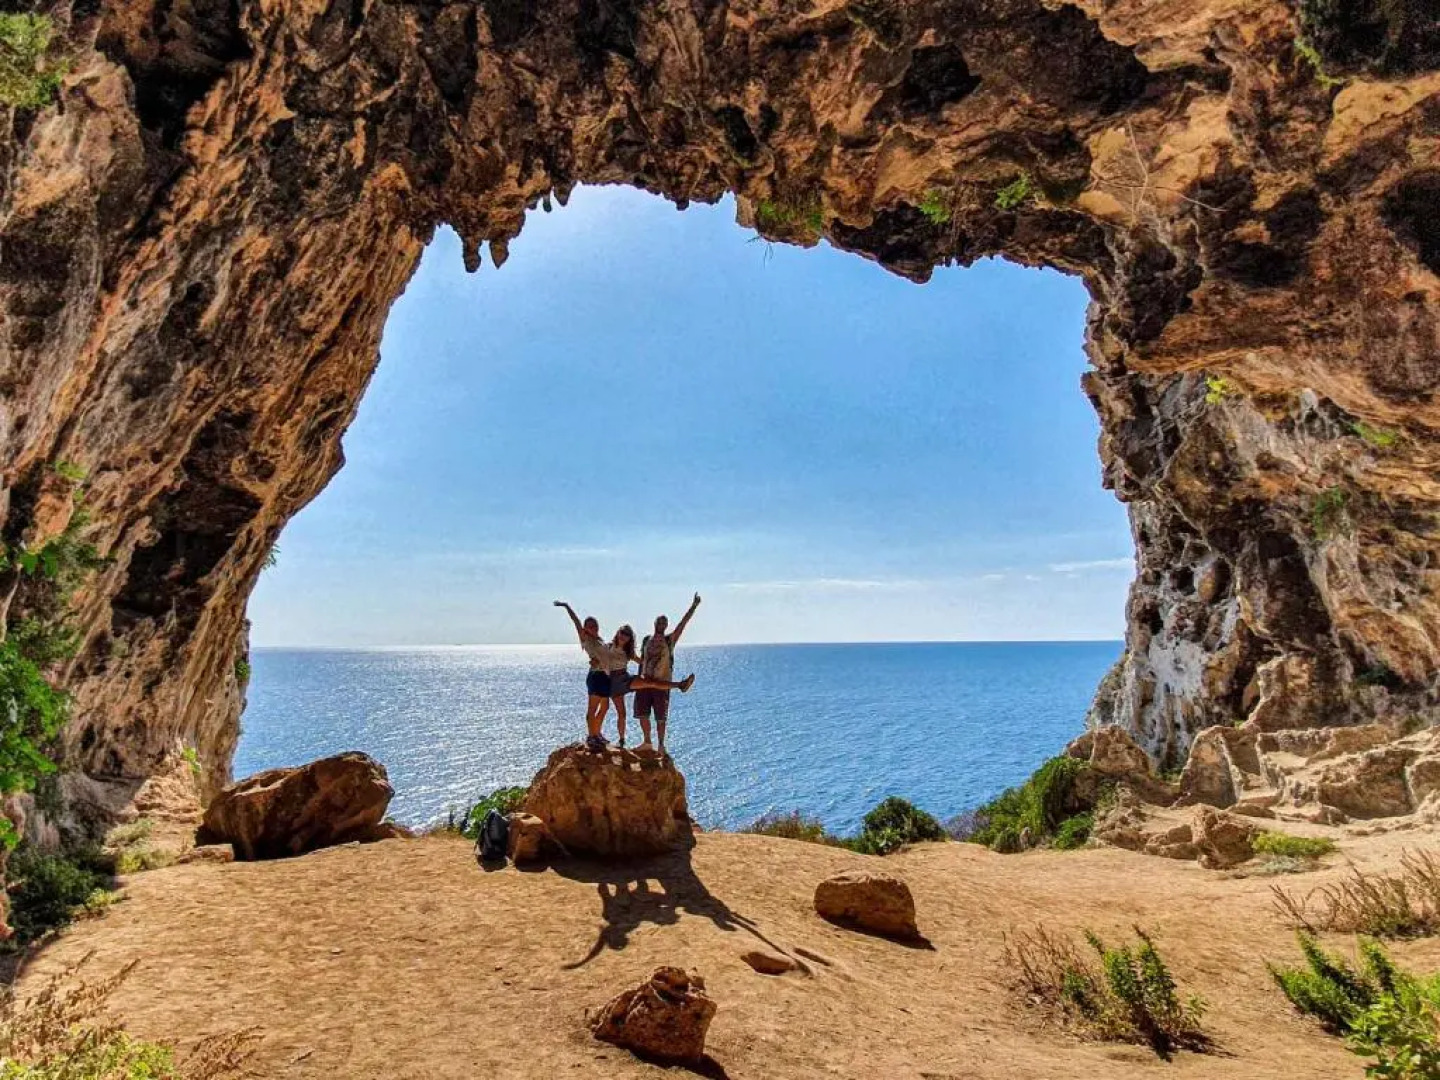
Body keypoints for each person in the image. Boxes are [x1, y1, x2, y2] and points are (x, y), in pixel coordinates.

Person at [554, 602, 694, 751]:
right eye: (589, 625)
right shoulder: (588, 640)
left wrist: (652, 663)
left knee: (642, 687)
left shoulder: (603, 642)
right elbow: (578, 626)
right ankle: (592, 736)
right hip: (603, 679)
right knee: (597, 709)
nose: (592, 627)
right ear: (585, 628)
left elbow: (636, 659)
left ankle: (680, 685)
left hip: (616, 679)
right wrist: (567, 606)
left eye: (594, 625)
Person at [635, 593, 701, 756]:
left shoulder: (669, 640)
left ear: (666, 625)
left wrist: (693, 606)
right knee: (642, 713)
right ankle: (647, 741)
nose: (661, 624)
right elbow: (642, 660)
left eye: (664, 622)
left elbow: (683, 624)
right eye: (660, 621)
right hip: (644, 682)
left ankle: (661, 745)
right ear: (655, 623)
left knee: (660, 716)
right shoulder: (646, 640)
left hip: (661, 682)